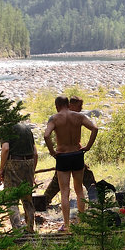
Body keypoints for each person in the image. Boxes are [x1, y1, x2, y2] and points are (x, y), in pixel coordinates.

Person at [43, 95, 98, 231]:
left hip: (62, 156)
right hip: (77, 154)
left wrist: (52, 151)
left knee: (65, 191)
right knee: (79, 190)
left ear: (57, 106)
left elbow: (46, 135)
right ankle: (82, 221)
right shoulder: (78, 116)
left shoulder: (54, 118)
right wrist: (88, 146)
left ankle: (67, 225)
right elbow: (94, 128)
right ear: (68, 104)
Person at [0, 121, 39, 232]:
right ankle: (30, 228)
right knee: (27, 198)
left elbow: (5, 148)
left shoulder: (5, 127)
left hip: (13, 163)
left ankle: (17, 230)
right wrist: (32, 171)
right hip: (29, 162)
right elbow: (35, 153)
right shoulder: (26, 128)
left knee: (11, 198)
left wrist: (1, 169)